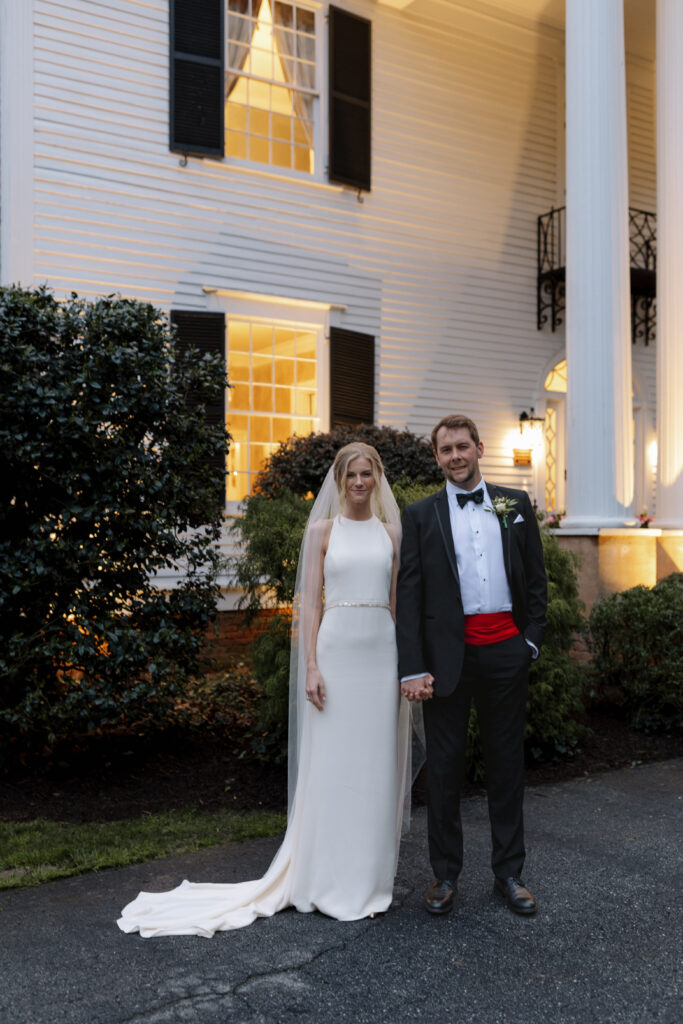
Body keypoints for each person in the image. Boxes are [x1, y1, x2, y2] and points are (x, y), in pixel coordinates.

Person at [117, 442, 411, 937]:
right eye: (352, 475)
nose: (360, 482)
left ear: (378, 478)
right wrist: (311, 665)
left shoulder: (392, 534)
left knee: (374, 767)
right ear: (339, 480)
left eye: (368, 474)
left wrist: (404, 667)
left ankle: (368, 880)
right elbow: (311, 607)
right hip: (336, 652)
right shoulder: (322, 530)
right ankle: (324, 879)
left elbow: (398, 604)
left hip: (380, 655)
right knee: (333, 767)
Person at [396, 414, 547, 917]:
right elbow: (410, 596)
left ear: (479, 447)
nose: (456, 456)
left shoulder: (514, 503)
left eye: (463, 446)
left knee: (507, 766)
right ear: (436, 457)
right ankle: (444, 874)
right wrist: (412, 667)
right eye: (446, 450)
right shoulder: (420, 515)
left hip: (506, 652)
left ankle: (510, 873)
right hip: (446, 662)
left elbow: (536, 583)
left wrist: (530, 644)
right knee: (444, 769)